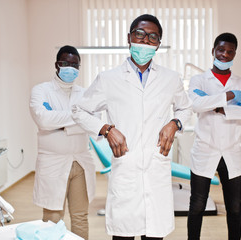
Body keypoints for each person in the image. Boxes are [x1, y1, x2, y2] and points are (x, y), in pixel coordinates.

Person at [72, 14, 192, 240]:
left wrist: (174, 123)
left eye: (153, 37)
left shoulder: (170, 78)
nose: (145, 40)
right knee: (123, 234)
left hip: (156, 169)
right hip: (127, 169)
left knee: (154, 234)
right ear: (129, 37)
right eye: (140, 34)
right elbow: (79, 110)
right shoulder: (109, 79)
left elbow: (186, 109)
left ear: (158, 44)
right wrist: (106, 129)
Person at [187, 33, 241, 240]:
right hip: (205, 149)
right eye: (221, 50)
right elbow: (195, 105)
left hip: (231, 151)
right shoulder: (198, 79)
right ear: (213, 51)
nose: (225, 55)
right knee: (197, 205)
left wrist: (215, 105)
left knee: (234, 208)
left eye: (230, 51)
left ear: (235, 53)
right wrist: (230, 97)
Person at [29, 45, 96, 240]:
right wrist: (78, 118)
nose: (70, 68)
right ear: (57, 65)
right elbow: (42, 119)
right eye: (65, 63)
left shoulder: (85, 94)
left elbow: (93, 122)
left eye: (74, 64)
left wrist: (59, 123)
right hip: (52, 162)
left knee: (80, 217)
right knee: (52, 218)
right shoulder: (41, 90)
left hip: (80, 162)